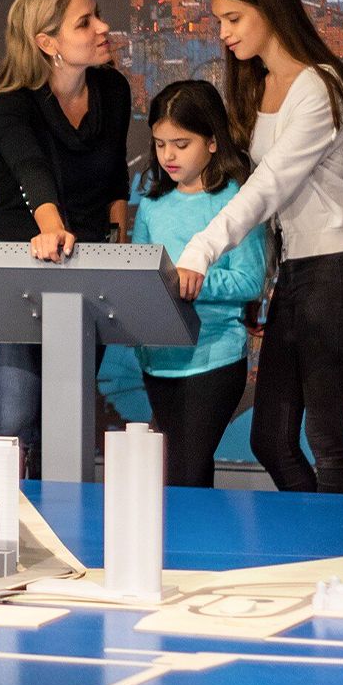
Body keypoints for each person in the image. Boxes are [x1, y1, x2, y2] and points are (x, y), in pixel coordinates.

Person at [176, 0, 343, 494]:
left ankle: (333, 567)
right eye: (220, 20)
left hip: (338, 269)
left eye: (233, 18)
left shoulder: (320, 85)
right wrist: (260, 289)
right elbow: (268, 204)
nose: (223, 34)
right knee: (269, 438)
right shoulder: (259, 85)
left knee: (328, 439)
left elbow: (269, 187)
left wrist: (200, 250)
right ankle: (317, 545)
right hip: (298, 274)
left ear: (268, 10)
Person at [0, 0, 131, 469]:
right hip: (20, 260)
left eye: (97, 15)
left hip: (84, 267)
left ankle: (59, 535)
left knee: (66, 419)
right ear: (47, 43)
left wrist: (118, 242)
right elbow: (30, 171)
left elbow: (115, 175)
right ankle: (3, 534)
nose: (103, 28)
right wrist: (51, 228)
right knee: (16, 417)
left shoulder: (113, 89)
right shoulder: (9, 103)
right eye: (85, 22)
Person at [132, 80, 266, 488]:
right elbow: (139, 272)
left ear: (212, 142)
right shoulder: (152, 205)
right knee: (181, 474)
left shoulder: (236, 200)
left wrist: (193, 281)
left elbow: (250, 279)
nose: (168, 155)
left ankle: (197, 548)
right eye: (159, 144)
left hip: (214, 356)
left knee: (187, 470)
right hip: (159, 360)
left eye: (180, 143)